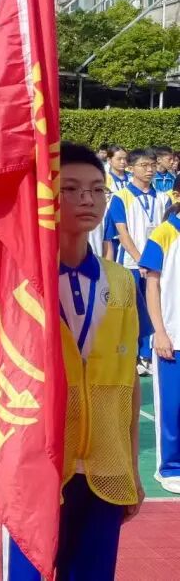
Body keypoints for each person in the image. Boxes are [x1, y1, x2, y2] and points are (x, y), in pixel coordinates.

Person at [4, 142, 144, 580]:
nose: (87, 198)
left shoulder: (121, 282)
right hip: (41, 467)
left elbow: (129, 382)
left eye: (97, 189)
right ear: (46, 197)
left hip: (106, 467)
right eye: (70, 188)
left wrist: (131, 467)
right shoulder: (23, 281)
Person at [108, 147, 172, 376]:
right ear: (131, 168)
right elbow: (122, 233)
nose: (149, 170)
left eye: (152, 165)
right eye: (144, 165)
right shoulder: (120, 197)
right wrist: (141, 260)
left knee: (156, 307)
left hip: (157, 265)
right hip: (131, 264)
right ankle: (132, 355)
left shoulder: (163, 198)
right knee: (132, 310)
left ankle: (148, 353)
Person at [140, 200, 180, 494]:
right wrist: (160, 332)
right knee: (172, 407)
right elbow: (151, 286)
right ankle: (169, 467)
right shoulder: (164, 233)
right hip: (173, 337)